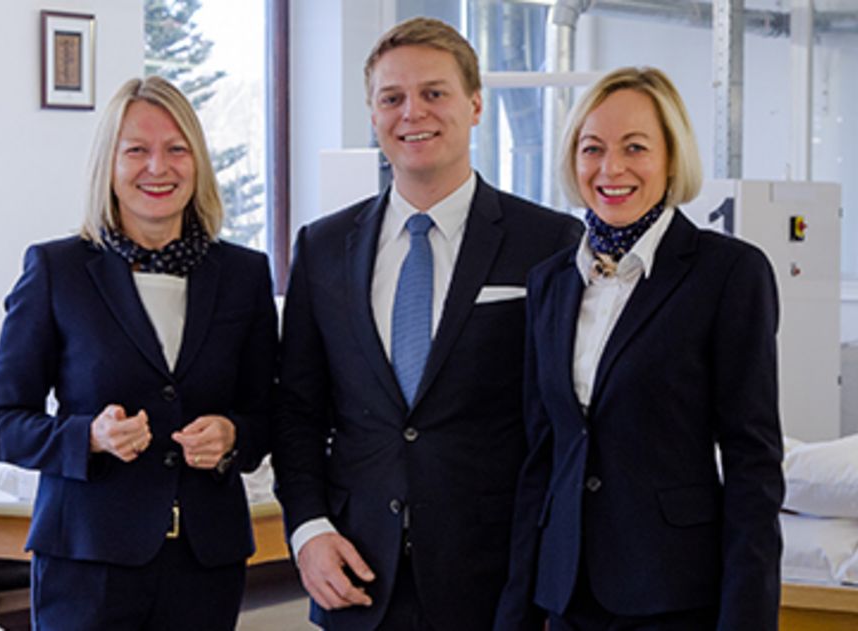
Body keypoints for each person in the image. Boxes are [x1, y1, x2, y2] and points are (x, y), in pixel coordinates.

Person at [273, 16, 583, 631]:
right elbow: (297, 413)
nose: (412, 112)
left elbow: (562, 424)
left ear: (474, 106)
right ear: (372, 114)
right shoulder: (323, 246)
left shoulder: (548, 242)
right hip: (359, 576)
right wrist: (308, 531)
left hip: (499, 583)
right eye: (392, 98)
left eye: (434, 93)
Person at [0, 76, 277, 630]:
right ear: (108, 165)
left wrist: (234, 435)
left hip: (206, 561)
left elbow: (269, 416)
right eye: (136, 150)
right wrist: (87, 437)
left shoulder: (244, 275)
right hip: (86, 563)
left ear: (198, 162)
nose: (157, 168)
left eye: (176, 149)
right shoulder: (56, 271)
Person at [494, 66, 784, 630]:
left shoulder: (727, 273)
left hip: (673, 594)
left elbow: (754, 466)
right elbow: (541, 457)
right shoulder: (551, 282)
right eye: (592, 148)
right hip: (566, 593)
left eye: (635, 148)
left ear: (672, 158)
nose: (611, 168)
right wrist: (518, 612)